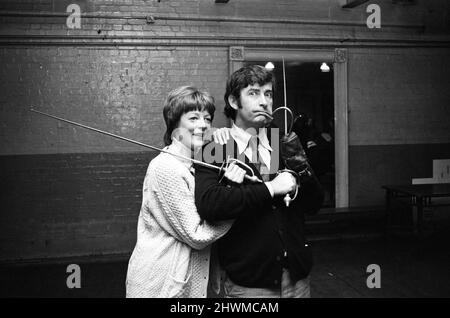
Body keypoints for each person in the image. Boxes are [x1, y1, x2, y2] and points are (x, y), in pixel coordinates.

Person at [194, 65, 324, 298]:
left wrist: (300, 166)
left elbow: (314, 203)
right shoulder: (215, 146)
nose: (264, 101)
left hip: (297, 277)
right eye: (253, 93)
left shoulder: (281, 143)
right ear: (234, 101)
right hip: (251, 283)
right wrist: (270, 188)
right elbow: (209, 204)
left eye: (268, 94)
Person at [126, 86, 246, 298]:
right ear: (175, 124)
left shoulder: (196, 165)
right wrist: (238, 204)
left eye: (207, 119)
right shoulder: (165, 167)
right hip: (159, 285)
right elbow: (196, 235)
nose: (202, 125)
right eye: (193, 118)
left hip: (187, 286)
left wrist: (227, 139)